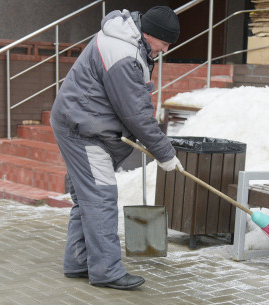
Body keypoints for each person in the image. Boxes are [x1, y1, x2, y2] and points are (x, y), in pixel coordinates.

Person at [50, 6, 183, 290]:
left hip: (82, 122)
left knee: (88, 198)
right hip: (83, 129)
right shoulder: (124, 53)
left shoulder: (128, 41)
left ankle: (78, 262)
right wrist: (165, 153)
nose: (165, 49)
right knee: (100, 197)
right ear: (150, 34)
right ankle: (106, 271)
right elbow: (135, 114)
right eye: (164, 43)